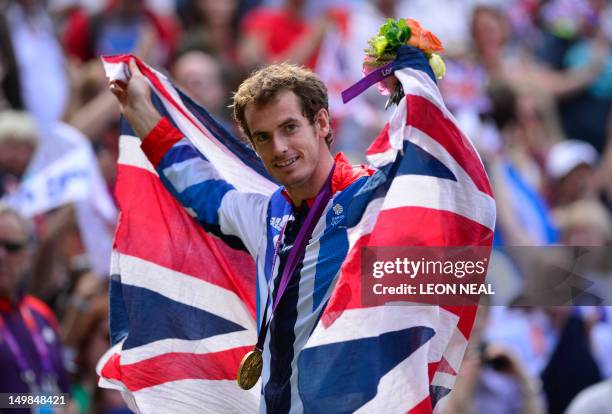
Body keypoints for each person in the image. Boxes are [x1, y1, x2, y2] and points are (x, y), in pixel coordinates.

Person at [108, 22, 494, 411]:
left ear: (322, 123)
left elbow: (432, 166)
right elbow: (201, 190)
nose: (279, 147)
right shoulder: (265, 214)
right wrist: (138, 108)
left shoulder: (372, 200)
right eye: (263, 137)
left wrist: (414, 79)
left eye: (290, 128)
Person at [0, 203, 71, 408]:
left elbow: (65, 396)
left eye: (11, 247)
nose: (1, 256)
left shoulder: (41, 313)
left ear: (29, 254)